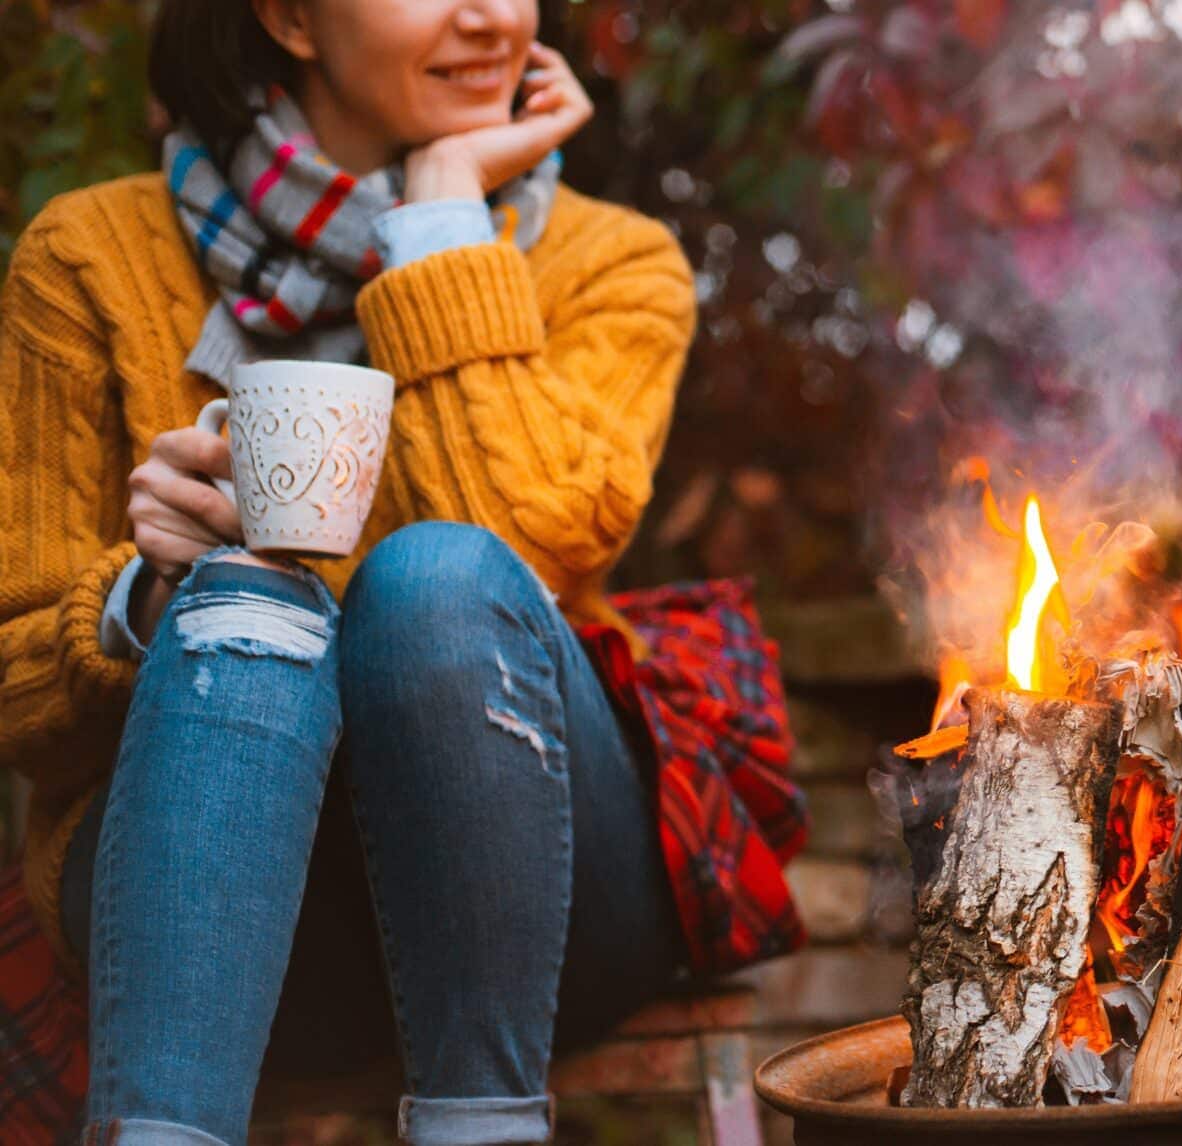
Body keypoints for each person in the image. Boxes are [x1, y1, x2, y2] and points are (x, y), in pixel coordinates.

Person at [0, 0, 804, 1141]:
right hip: (225, 904)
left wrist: (440, 223)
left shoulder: (614, 265)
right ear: (287, 18)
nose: (489, 16)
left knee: (434, 579)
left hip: (539, 895)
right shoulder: (90, 259)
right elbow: (13, 695)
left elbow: (526, 553)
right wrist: (144, 602)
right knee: (241, 604)